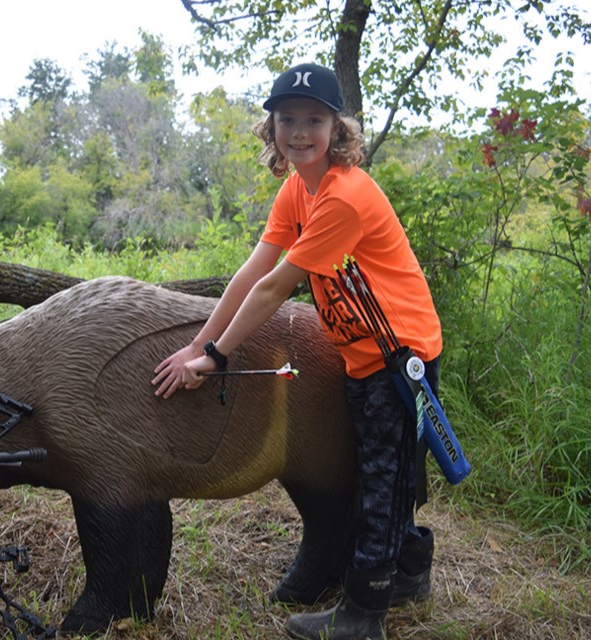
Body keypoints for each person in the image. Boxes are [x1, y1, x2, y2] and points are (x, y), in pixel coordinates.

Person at [151, 63, 442, 639]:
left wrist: (218, 356)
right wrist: (198, 343)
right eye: (288, 119)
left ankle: (363, 614)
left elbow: (275, 288)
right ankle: (409, 573)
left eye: (315, 119)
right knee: (380, 466)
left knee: (382, 479)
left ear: (338, 128)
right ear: (273, 127)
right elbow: (250, 272)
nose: (300, 131)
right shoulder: (297, 188)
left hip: (397, 351)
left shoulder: (344, 199)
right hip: (362, 350)